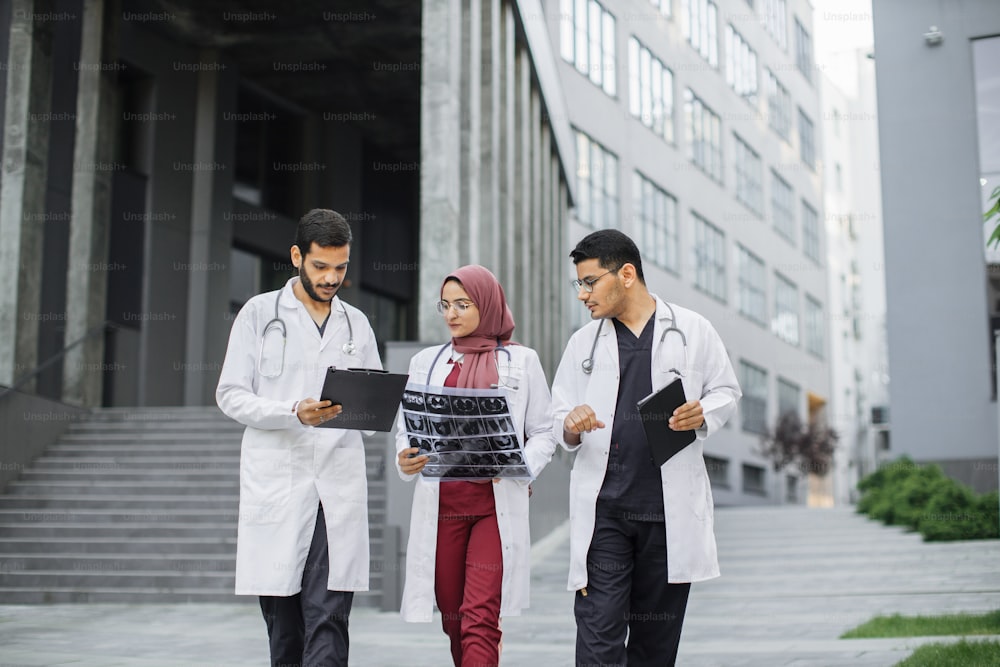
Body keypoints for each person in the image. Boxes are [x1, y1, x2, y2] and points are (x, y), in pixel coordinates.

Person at [550, 229, 741, 667]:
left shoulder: (692, 330)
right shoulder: (584, 343)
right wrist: (570, 424)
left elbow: (726, 390)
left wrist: (704, 412)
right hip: (606, 516)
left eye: (590, 281)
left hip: (666, 516)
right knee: (598, 642)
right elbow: (558, 413)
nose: (582, 294)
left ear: (627, 274)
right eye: (578, 283)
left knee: (655, 649)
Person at [216, 209, 381, 667]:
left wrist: (372, 406)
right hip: (279, 483)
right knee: (284, 628)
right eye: (321, 266)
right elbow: (230, 395)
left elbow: (371, 416)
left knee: (329, 618)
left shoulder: (357, 323)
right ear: (296, 257)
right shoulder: (259, 313)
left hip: (336, 486)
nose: (331, 278)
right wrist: (292, 412)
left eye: (341, 267)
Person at [395, 264, 558, 667]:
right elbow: (407, 429)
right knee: (453, 618)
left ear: (486, 304)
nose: (451, 314)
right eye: (445, 305)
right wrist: (406, 456)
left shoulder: (521, 361)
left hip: (492, 507)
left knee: (479, 618)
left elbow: (544, 432)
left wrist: (520, 464)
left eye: (463, 304)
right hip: (442, 507)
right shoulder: (425, 362)